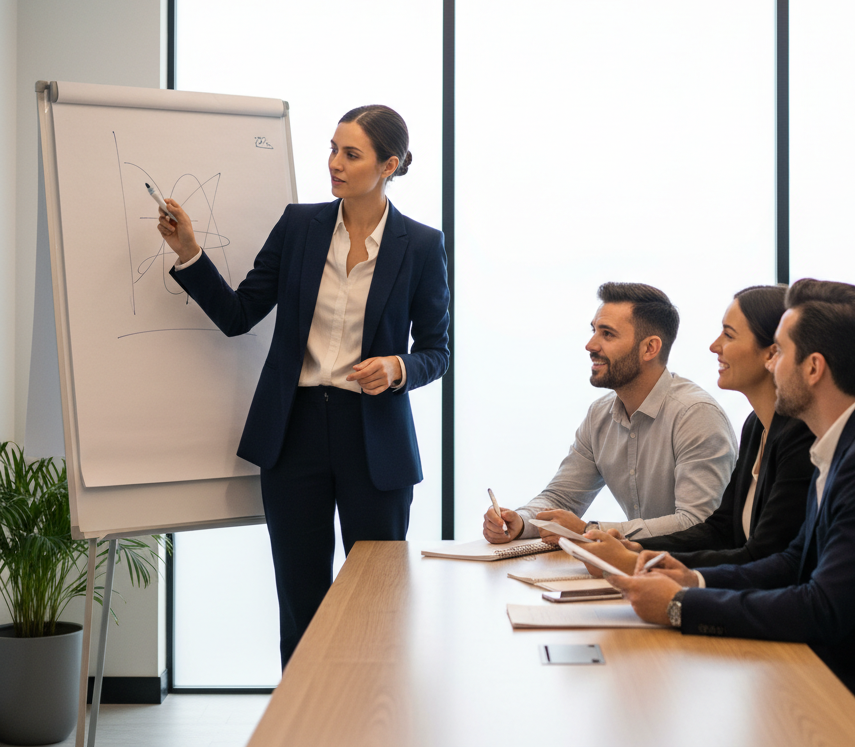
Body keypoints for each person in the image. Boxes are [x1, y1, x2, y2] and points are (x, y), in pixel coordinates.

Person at [606, 279, 855, 747]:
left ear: (813, 368)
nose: (771, 364)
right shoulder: (845, 444)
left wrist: (679, 606)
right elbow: (795, 562)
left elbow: (822, 609)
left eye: (779, 351)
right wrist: (692, 581)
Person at [157, 105, 449, 667]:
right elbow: (240, 313)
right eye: (333, 149)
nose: (335, 164)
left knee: (376, 597)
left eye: (351, 154)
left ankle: (373, 717)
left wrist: (397, 368)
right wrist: (190, 253)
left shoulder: (420, 244)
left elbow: (438, 351)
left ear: (388, 165)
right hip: (293, 437)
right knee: (301, 599)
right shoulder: (299, 226)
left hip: (375, 440)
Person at [582, 284, 814, 575]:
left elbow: (763, 556)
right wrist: (640, 550)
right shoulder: (757, 425)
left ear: (773, 352)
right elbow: (720, 530)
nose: (714, 346)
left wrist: (641, 563)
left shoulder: (800, 436)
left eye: (728, 335)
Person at [482, 282, 737, 544]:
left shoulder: (695, 415)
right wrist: (521, 521)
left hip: (695, 576)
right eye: (594, 331)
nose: (590, 345)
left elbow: (696, 522)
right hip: (637, 571)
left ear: (650, 348)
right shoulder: (600, 415)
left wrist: (590, 531)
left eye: (607, 334)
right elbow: (562, 499)